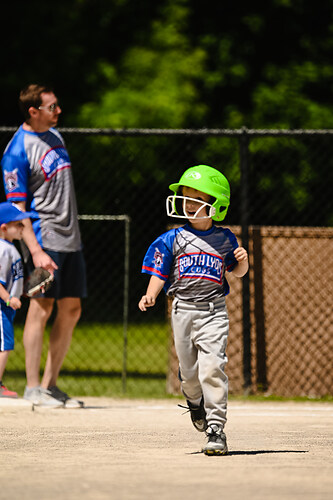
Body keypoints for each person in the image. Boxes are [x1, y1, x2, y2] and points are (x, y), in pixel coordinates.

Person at [138, 165, 249, 455]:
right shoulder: (172, 239)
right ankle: (194, 401)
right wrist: (151, 294)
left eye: (197, 199)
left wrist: (243, 260)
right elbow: (159, 272)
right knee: (189, 375)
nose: (188, 204)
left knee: (212, 368)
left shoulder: (225, 239)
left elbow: (237, 273)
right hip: (182, 311)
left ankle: (216, 429)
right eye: (186, 198)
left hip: (214, 311)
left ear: (216, 206)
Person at [1, 84, 87, 408]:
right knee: (41, 307)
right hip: (43, 238)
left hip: (70, 237)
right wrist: (34, 250)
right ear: (33, 112)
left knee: (72, 308)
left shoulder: (56, 136)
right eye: (52, 107)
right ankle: (33, 387)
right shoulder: (16, 151)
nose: (58, 111)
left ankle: (51, 385)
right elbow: (17, 209)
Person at [0, 202, 35, 398]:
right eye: (18, 224)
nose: (23, 227)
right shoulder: (3, 249)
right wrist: (8, 299)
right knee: (5, 344)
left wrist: (19, 292)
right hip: (1, 307)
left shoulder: (9, 248)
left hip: (5, 306)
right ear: (4, 227)